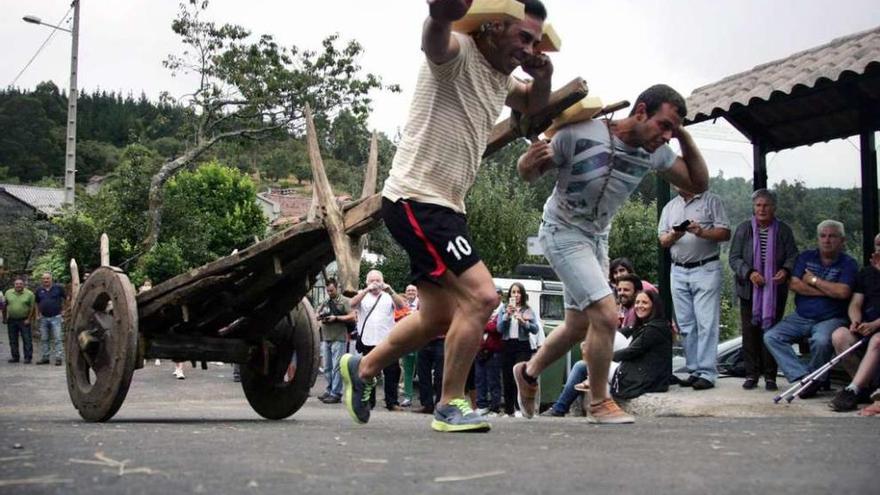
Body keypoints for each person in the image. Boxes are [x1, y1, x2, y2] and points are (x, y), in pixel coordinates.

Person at [341, 0, 553, 433]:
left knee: (437, 316)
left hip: (446, 206)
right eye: (522, 37)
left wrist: (544, 77)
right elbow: (435, 41)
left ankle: (362, 368)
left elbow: (532, 103)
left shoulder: (501, 78)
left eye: (535, 42)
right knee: (482, 297)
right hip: (418, 199)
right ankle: (450, 403)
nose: (528, 49)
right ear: (493, 26)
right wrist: (440, 14)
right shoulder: (459, 52)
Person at [514, 83, 709, 423]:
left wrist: (683, 137)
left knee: (577, 324)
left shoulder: (657, 152)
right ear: (641, 111)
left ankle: (528, 373)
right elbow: (529, 173)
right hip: (561, 231)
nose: (666, 136)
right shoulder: (578, 134)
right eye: (664, 125)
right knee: (605, 313)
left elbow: (698, 183)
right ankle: (600, 402)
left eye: (672, 130)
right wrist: (525, 163)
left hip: (596, 238)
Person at [764, 220, 859, 399]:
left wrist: (814, 281)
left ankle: (813, 381)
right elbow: (794, 284)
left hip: (832, 318)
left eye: (832, 236)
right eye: (823, 236)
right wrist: (829, 291)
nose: (827, 240)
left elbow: (843, 292)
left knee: (822, 341)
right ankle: (805, 377)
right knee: (771, 336)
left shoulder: (848, 263)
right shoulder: (806, 257)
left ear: (842, 240)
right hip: (801, 316)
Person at [658, 186, 731, 390]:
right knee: (686, 324)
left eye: (677, 179)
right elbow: (662, 240)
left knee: (706, 322)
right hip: (678, 270)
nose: (674, 184)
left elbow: (725, 233)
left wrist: (702, 232)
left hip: (705, 267)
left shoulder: (711, 200)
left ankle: (707, 373)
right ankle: (694, 370)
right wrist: (674, 235)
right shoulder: (670, 207)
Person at [728, 189, 798, 391]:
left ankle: (770, 376)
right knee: (750, 333)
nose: (762, 209)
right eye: (758, 205)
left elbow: (793, 255)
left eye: (766, 205)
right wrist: (749, 273)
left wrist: (785, 270)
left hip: (775, 291)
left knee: (771, 333)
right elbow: (734, 258)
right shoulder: (743, 229)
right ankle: (751, 375)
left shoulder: (783, 230)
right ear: (753, 207)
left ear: (774, 208)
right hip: (749, 290)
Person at [827, 234, 880, 411]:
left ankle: (853, 389)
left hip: (877, 330)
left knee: (877, 340)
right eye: (877, 245)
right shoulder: (866, 273)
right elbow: (855, 303)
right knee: (840, 335)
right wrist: (856, 320)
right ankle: (864, 388)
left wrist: (875, 324)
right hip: (866, 327)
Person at [348, 270, 407, 411]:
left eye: (377, 280)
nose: (375, 283)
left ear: (383, 281)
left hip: (386, 341)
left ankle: (392, 402)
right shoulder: (363, 295)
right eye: (372, 280)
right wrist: (366, 290)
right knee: (369, 373)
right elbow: (352, 304)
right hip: (367, 340)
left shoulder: (388, 296)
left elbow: (401, 306)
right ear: (367, 282)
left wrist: (391, 290)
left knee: (392, 372)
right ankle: (369, 402)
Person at [610, 290, 673, 400]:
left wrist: (604, 357)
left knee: (585, 366)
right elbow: (627, 331)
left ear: (654, 306)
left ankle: (568, 406)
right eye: (637, 302)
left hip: (645, 378)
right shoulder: (647, 324)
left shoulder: (654, 329)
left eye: (644, 302)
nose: (639, 306)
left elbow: (631, 351)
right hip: (641, 371)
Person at [498, 283, 540, 416]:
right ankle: (508, 409)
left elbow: (535, 329)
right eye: (513, 292)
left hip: (522, 345)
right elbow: (499, 328)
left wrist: (524, 322)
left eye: (518, 292)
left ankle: (519, 408)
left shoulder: (527, 310)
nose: (515, 295)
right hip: (507, 344)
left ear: (522, 295)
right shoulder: (504, 309)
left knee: (520, 376)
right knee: (507, 377)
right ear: (509, 295)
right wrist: (507, 316)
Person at [317, 278, 355, 404]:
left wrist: (336, 318)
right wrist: (320, 317)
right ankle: (329, 390)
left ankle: (336, 393)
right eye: (328, 290)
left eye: (332, 290)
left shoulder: (344, 301)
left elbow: (352, 316)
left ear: (337, 288)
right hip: (326, 337)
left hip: (339, 337)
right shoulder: (326, 301)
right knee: (327, 367)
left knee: (337, 367)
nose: (330, 293)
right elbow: (317, 313)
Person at [474, 308, 503, 415]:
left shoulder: (500, 311)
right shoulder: (480, 310)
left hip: (494, 350)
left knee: (494, 380)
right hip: (480, 350)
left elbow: (497, 328)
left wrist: (483, 324)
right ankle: (482, 405)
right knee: (480, 379)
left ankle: (495, 406)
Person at [3, 278, 36, 364]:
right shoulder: (8, 293)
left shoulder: (29, 294)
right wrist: (4, 318)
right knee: (13, 339)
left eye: (20, 284)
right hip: (12, 320)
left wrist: (29, 319)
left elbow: (32, 308)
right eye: (17, 284)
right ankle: (15, 357)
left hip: (24, 320)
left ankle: (28, 357)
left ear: (23, 285)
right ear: (14, 285)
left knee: (27, 339)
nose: (18, 285)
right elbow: (4, 306)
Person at [35, 272, 65, 366]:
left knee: (57, 338)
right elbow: (36, 303)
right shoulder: (39, 290)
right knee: (44, 339)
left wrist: (64, 310)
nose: (46, 280)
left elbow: (66, 298)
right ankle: (45, 357)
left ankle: (58, 358)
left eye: (47, 278)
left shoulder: (58, 288)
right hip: (43, 318)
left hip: (56, 317)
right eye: (44, 279)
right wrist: (37, 314)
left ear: (51, 279)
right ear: (42, 280)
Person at [400, 284, 420, 408]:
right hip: (406, 342)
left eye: (413, 290)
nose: (411, 292)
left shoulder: (422, 304)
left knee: (423, 371)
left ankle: (425, 397)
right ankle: (407, 397)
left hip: (420, 341)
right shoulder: (402, 305)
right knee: (407, 371)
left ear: (417, 292)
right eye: (408, 290)